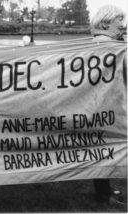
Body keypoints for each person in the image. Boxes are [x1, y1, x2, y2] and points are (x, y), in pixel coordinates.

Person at [90, 4, 126, 204]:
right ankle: (105, 195)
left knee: (100, 150)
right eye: (119, 20)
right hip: (112, 108)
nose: (123, 24)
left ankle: (104, 192)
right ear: (105, 22)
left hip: (94, 107)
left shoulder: (91, 43)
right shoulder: (115, 48)